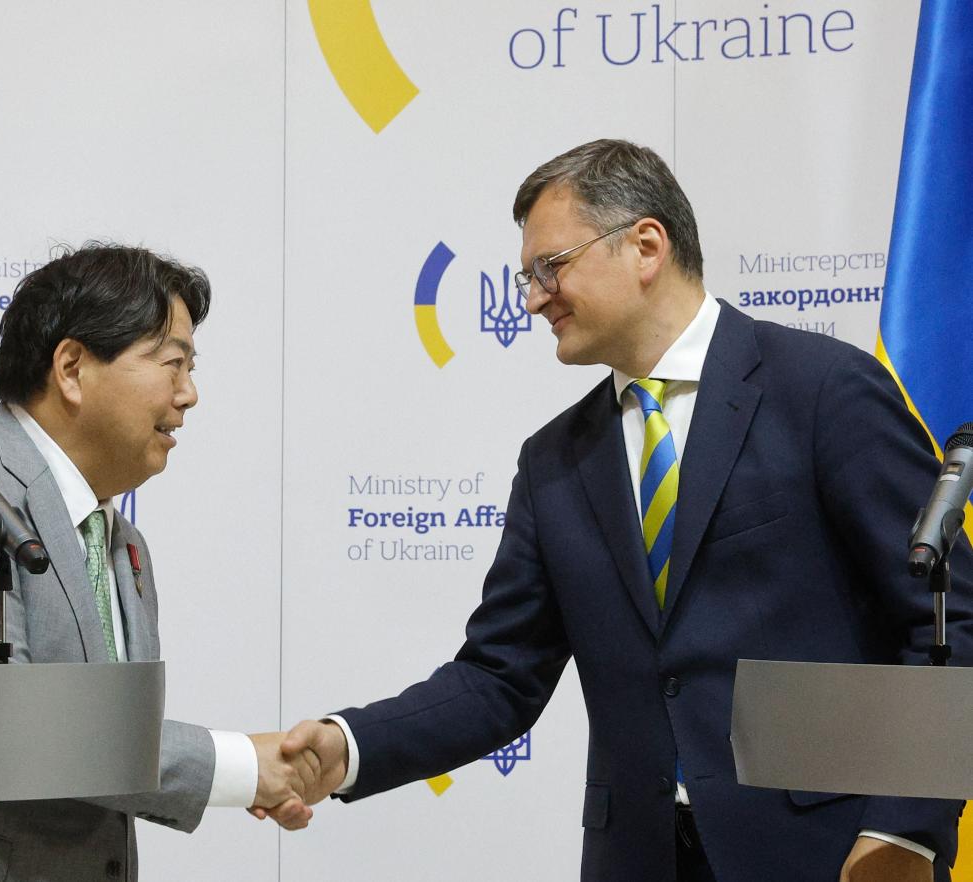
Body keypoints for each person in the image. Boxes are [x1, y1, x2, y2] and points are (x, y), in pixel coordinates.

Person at [272, 140, 973, 882]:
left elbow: (944, 619)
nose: (534, 298)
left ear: (645, 246)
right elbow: (498, 678)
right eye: (526, 278)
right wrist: (346, 746)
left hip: (826, 857)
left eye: (551, 267)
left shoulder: (822, 390)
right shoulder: (553, 461)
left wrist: (906, 830)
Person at [0, 243, 312, 882]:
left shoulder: (124, 544)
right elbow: (3, 729)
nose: (190, 394)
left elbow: (114, 743)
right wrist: (244, 769)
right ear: (71, 367)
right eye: (172, 363)